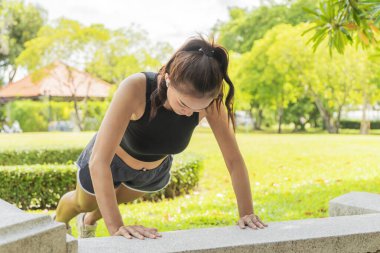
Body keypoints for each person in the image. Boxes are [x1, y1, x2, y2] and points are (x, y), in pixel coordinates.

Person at [54, 34, 268, 239]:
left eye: (198, 109)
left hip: (152, 172)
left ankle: (88, 221)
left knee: (111, 201)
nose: (189, 113)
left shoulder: (212, 103)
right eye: (184, 104)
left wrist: (246, 212)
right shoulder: (136, 87)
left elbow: (233, 160)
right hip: (108, 163)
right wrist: (117, 228)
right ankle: (59, 222)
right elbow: (99, 161)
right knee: (84, 203)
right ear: (168, 79)